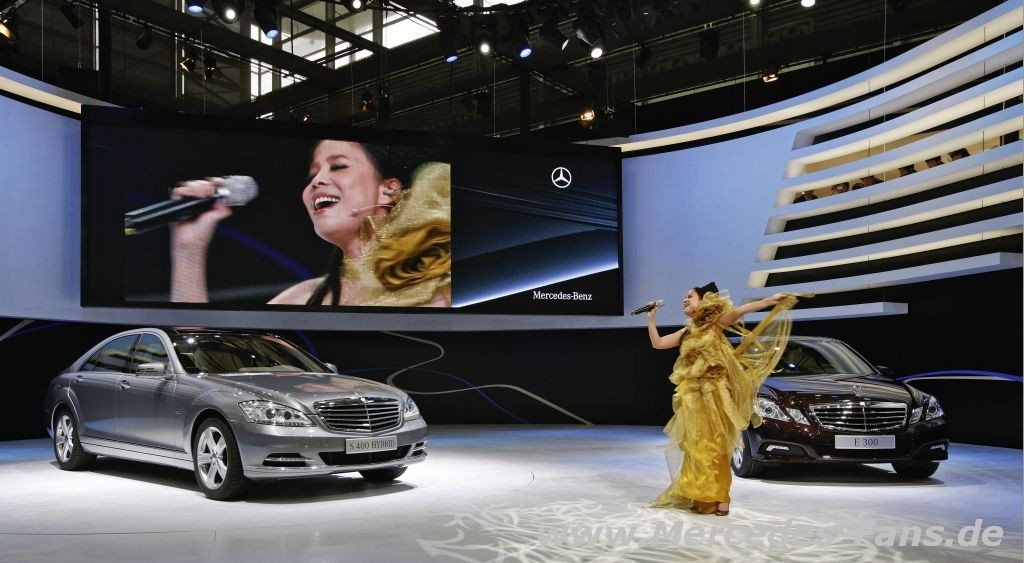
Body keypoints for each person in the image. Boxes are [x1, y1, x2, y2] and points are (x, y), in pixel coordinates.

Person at [169, 139, 451, 307]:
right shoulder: (303, 298)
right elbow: (207, 357)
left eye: (338, 166)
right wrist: (188, 249)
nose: (317, 181)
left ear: (388, 190)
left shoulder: (442, 278)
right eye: (311, 176)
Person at [647, 282, 798, 516]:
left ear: (705, 300)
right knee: (696, 447)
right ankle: (702, 495)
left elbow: (742, 311)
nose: (685, 299)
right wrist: (650, 319)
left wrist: (771, 300)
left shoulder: (715, 323)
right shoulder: (686, 332)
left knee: (715, 446)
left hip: (715, 396)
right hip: (693, 398)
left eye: (690, 296)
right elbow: (658, 343)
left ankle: (721, 496)